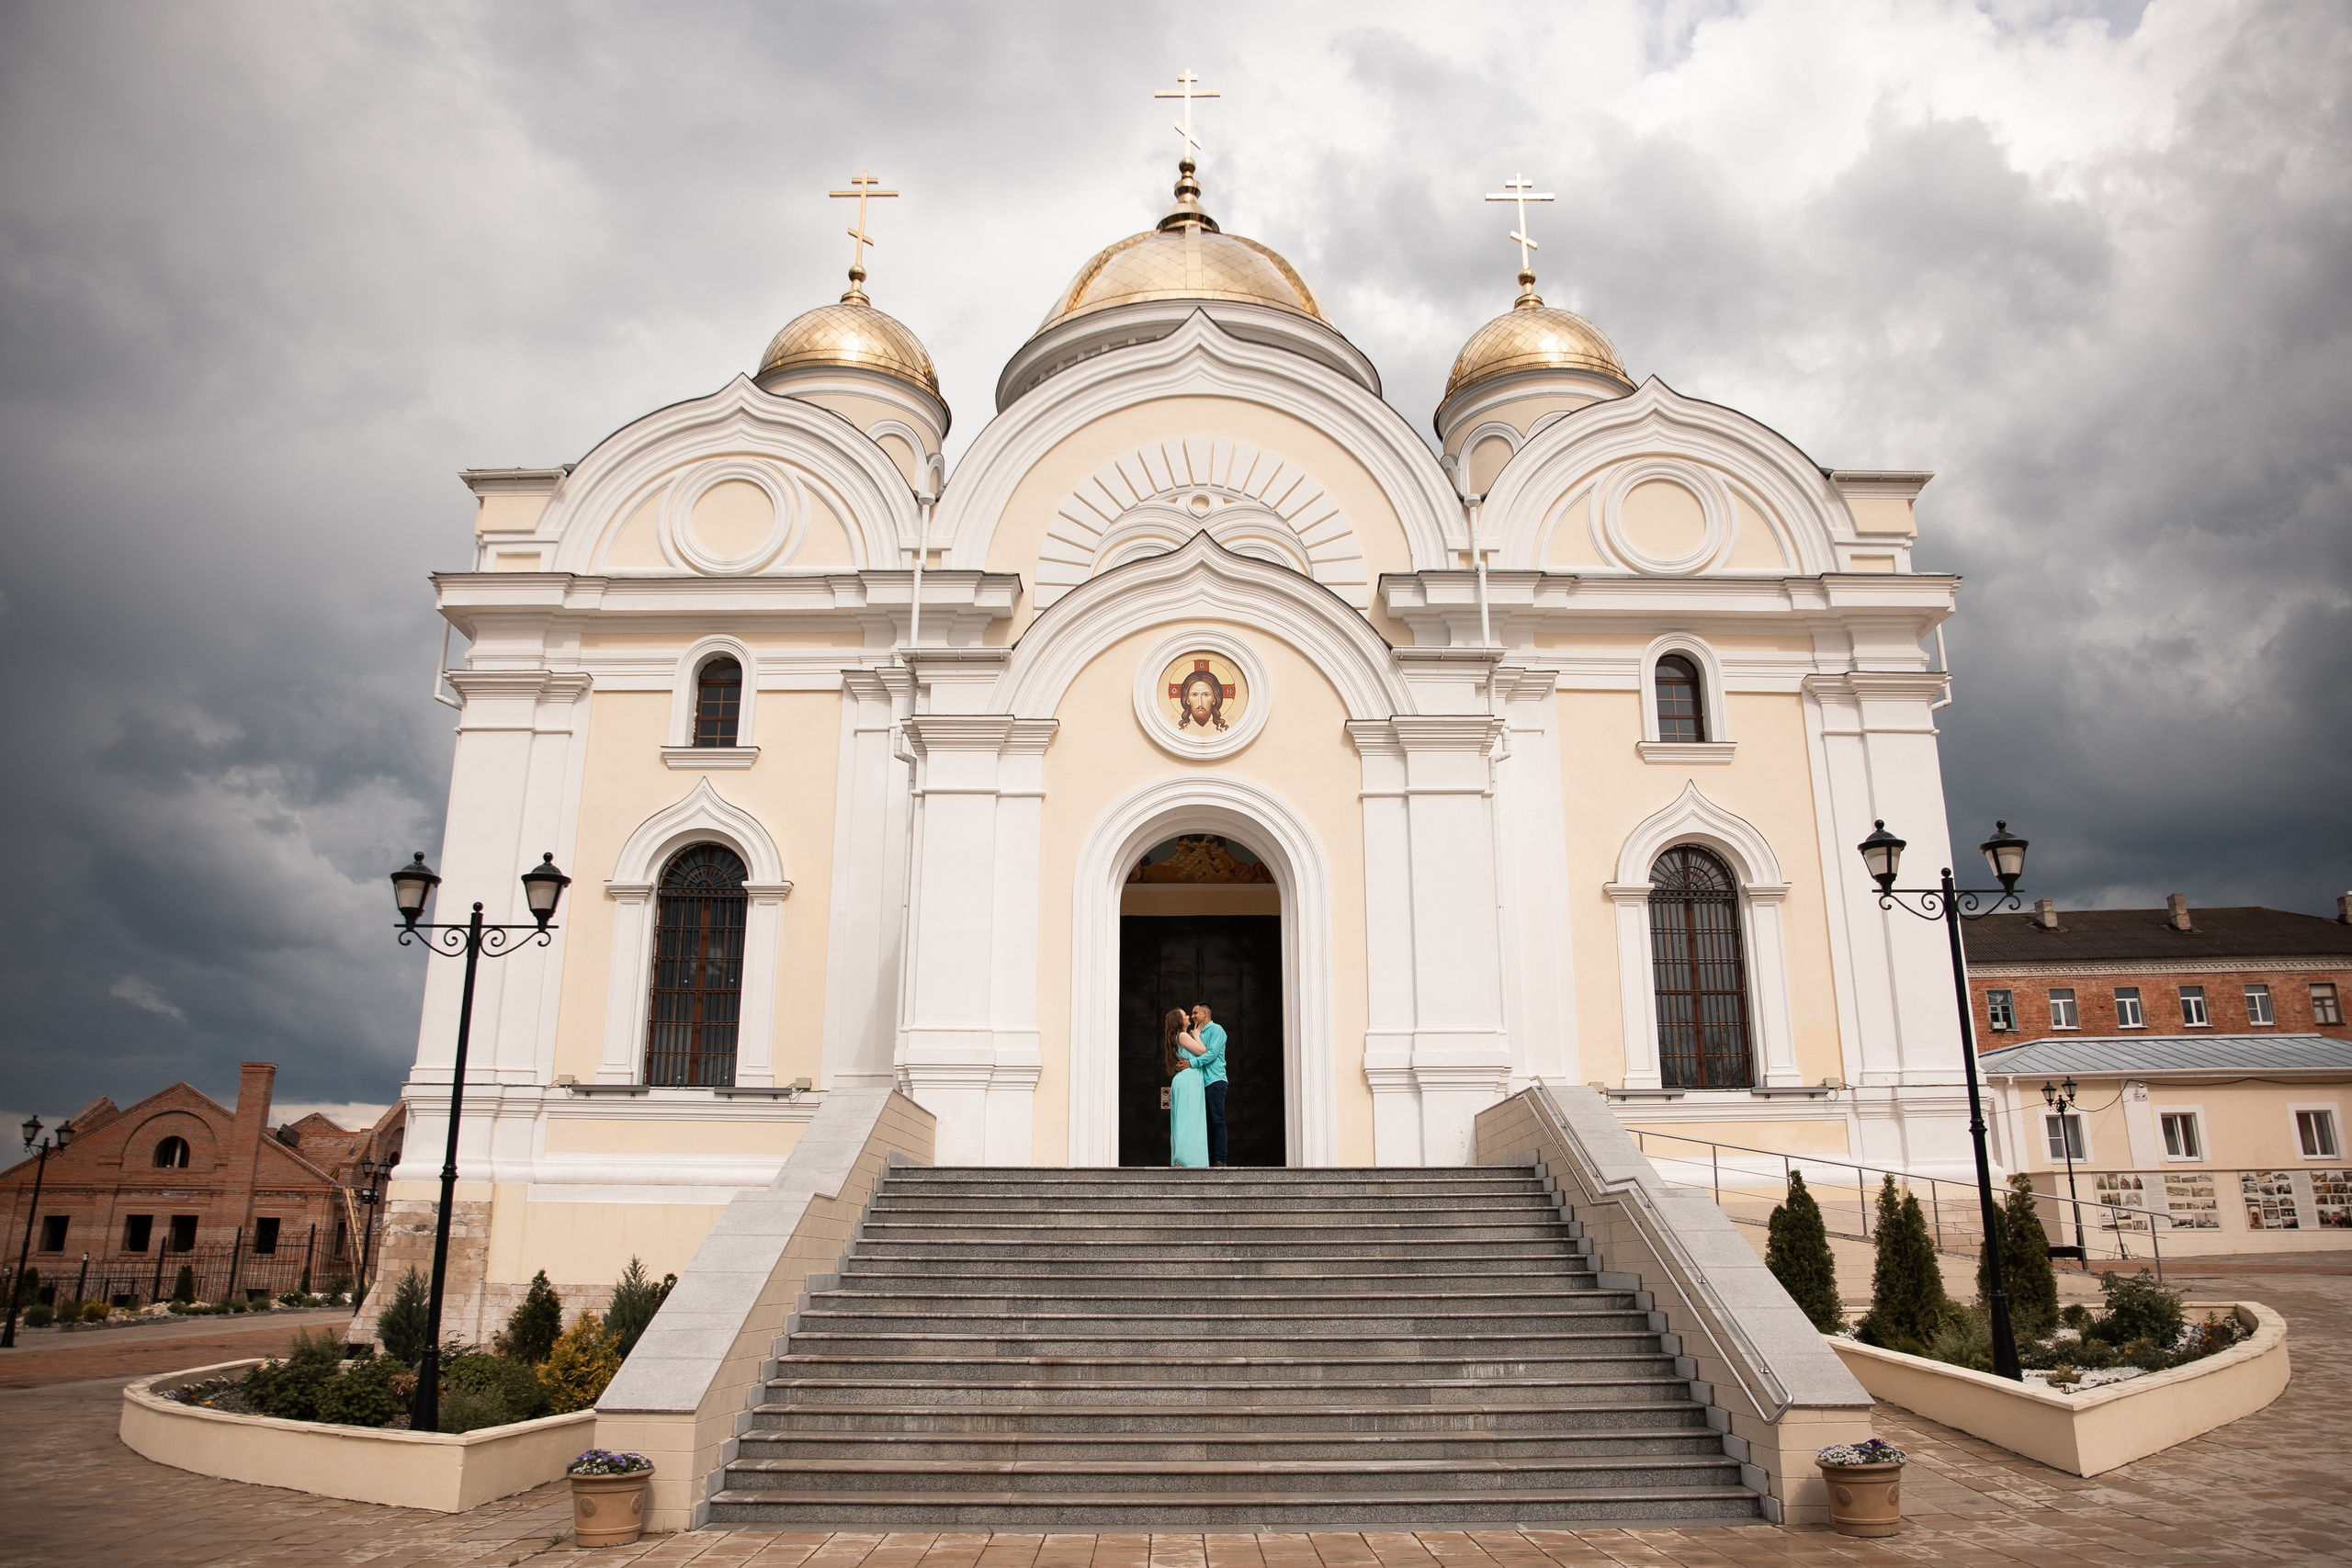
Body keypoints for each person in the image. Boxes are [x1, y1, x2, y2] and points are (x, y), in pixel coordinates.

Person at [1164, 1008, 1208, 1168]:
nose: (1188, 1016)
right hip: (1189, 1080)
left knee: (1186, 1119)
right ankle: (1183, 1160)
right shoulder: (1182, 1035)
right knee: (1188, 1120)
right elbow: (1202, 1051)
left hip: (1188, 1079)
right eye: (1185, 1015)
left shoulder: (1178, 1037)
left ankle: (1184, 1159)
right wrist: (1196, 1035)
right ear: (1179, 1021)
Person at [1189, 1002, 1228, 1167]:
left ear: (1205, 1014)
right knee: (1204, 1122)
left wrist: (1191, 1063)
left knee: (1217, 1121)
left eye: (1195, 1013)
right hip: (1201, 1083)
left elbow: (1211, 1054)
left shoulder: (1216, 1030)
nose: (1193, 1016)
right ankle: (1207, 1159)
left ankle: (1220, 1159)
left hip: (1215, 1081)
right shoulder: (1196, 1033)